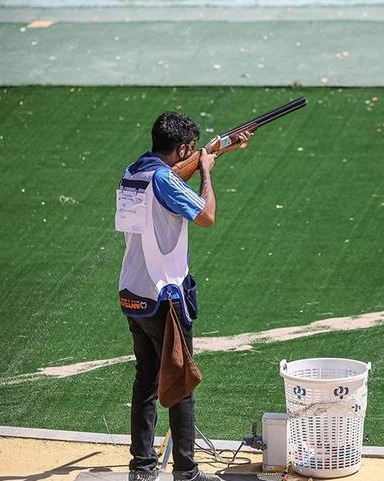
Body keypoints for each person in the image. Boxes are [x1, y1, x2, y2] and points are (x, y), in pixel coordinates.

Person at [115, 111, 252, 481]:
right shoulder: (163, 178)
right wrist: (207, 170)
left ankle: (141, 469)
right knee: (180, 383)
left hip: (132, 293)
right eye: (191, 150)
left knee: (146, 379)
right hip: (165, 298)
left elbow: (167, 180)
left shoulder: (134, 171)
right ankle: (186, 472)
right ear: (184, 147)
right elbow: (206, 215)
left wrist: (216, 152)